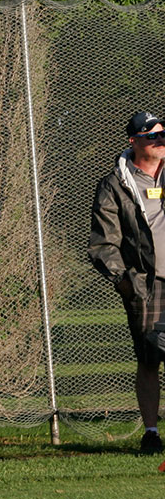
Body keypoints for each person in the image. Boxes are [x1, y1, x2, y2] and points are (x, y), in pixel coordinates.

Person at [89, 110, 165, 455]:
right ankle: (151, 433)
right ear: (134, 142)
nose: (160, 140)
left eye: (163, 134)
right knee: (149, 360)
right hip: (147, 285)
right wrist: (125, 280)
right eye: (152, 136)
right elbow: (103, 243)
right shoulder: (115, 184)